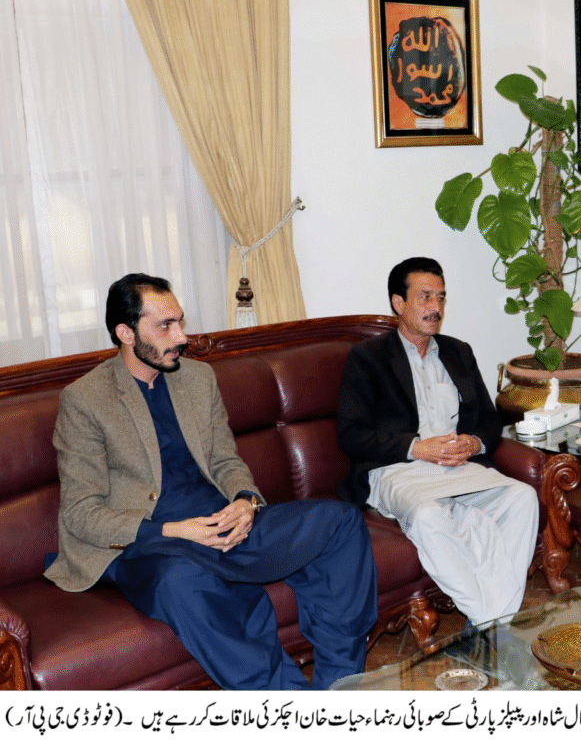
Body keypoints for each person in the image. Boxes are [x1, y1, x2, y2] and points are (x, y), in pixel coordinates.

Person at [45, 274, 377, 690]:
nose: (181, 337)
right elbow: (81, 514)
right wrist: (175, 530)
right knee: (180, 582)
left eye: (180, 322)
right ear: (126, 333)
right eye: (165, 326)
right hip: (152, 542)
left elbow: (224, 459)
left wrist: (245, 502)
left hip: (220, 523)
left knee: (340, 521)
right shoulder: (86, 400)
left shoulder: (197, 379)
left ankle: (341, 685)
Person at [336, 257, 539, 628]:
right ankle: (493, 622)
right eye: (425, 297)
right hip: (399, 469)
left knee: (522, 497)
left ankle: (488, 621)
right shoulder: (368, 358)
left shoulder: (458, 352)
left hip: (459, 467)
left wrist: (474, 443)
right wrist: (417, 447)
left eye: (441, 297)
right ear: (398, 303)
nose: (436, 307)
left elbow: (490, 421)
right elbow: (351, 435)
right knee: (429, 515)